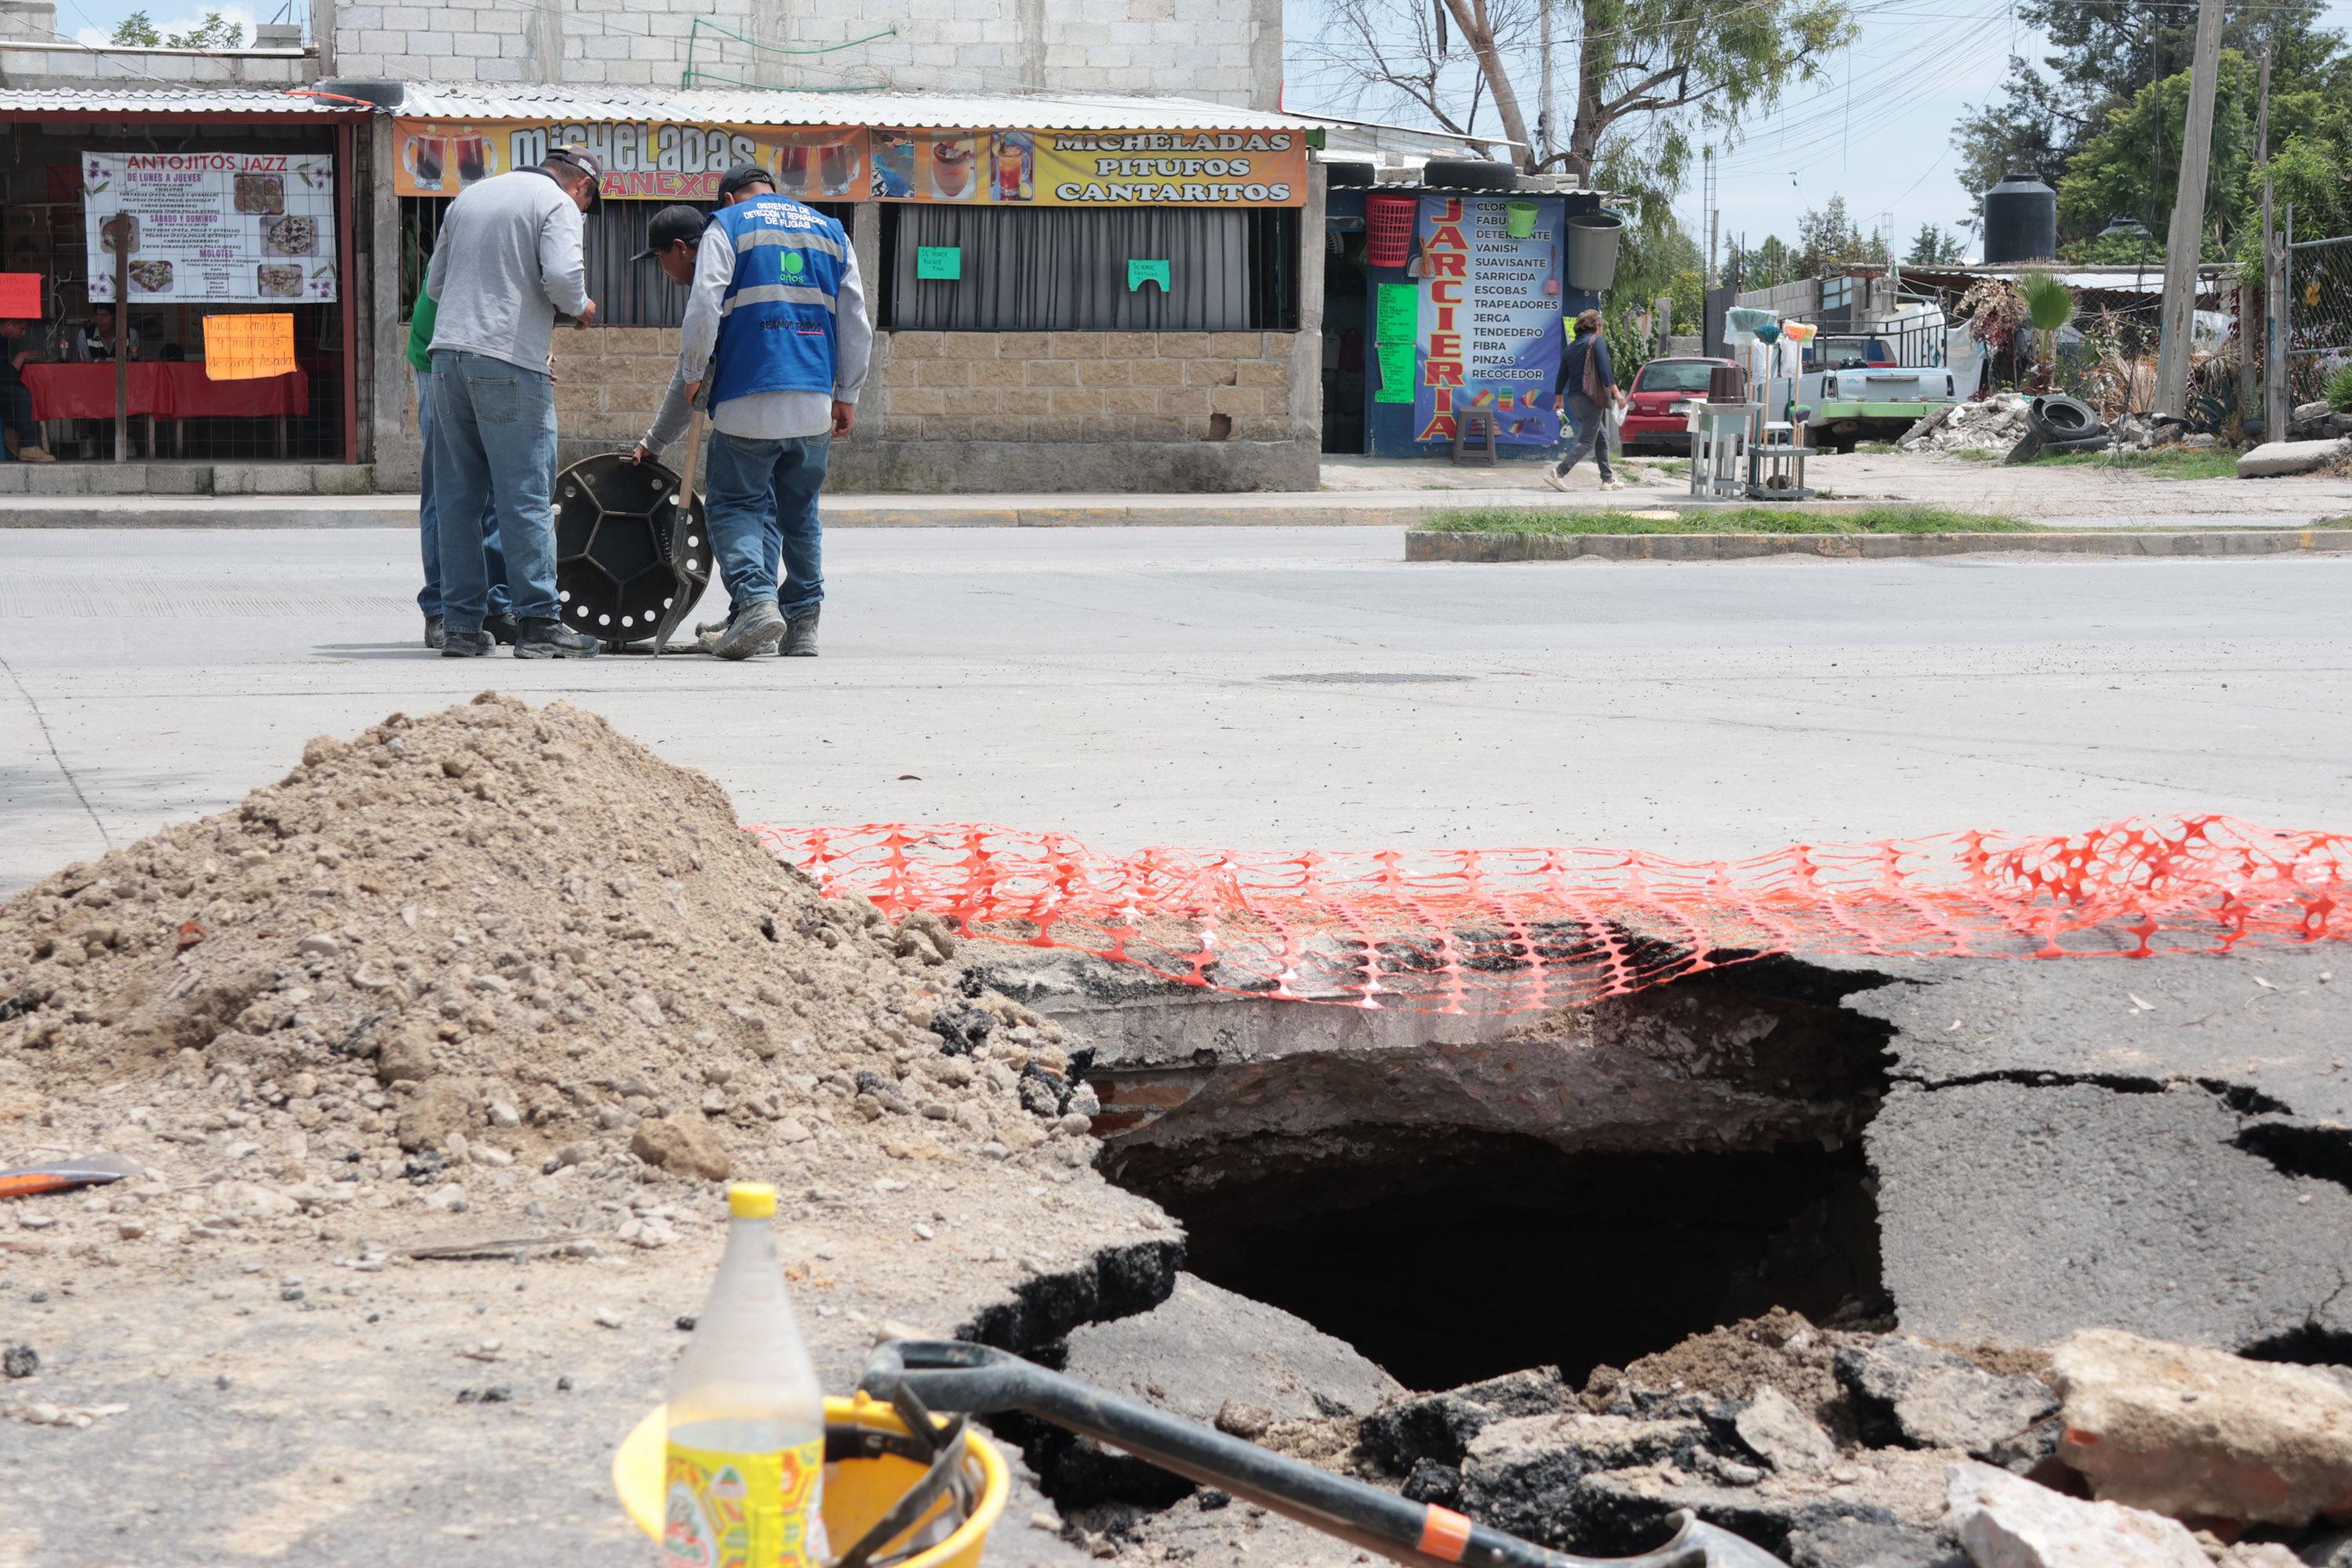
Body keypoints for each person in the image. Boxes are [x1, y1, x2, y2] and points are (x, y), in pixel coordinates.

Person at [631, 166, 870, 659]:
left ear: (727, 196)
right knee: (800, 515)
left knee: (734, 507)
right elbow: (856, 319)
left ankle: (758, 602)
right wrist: (848, 392)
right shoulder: (832, 230)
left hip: (748, 398)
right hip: (812, 402)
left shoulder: (729, 224)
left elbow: (704, 301)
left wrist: (695, 367)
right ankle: (801, 624)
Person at [423, 141, 604, 659]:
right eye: (588, 203)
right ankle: (540, 623)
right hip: (507, 360)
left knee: (458, 501)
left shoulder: (470, 197)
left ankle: (460, 627)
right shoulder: (557, 204)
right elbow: (566, 279)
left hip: (447, 359)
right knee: (524, 496)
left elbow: (435, 286)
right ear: (582, 186)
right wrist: (581, 306)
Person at [407, 277, 512, 649]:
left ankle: (496, 606)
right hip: (442, 356)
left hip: (493, 356)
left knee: (496, 485)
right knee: (448, 485)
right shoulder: (470, 222)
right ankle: (441, 609)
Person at [1544, 309, 1624, 492]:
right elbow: (1604, 369)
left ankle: (1607, 480)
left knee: (1601, 437)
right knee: (1588, 441)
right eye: (1601, 325)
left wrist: (1559, 399)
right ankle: (1559, 473)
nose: (1602, 329)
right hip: (1591, 398)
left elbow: (1561, 375)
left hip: (1575, 400)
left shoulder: (1571, 347)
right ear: (1597, 326)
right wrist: (1617, 394)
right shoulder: (1597, 341)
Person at [0, 320, 56, 463]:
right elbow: (5, 378)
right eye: (22, 329)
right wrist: (21, 357)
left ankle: (10, 433)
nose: (23, 334)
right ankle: (28, 447)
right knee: (21, 394)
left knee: (22, 391)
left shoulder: (4, 340)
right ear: (9, 324)